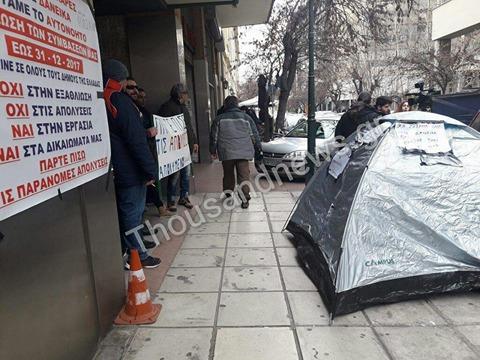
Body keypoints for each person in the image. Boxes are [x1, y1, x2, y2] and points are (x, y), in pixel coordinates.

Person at [103, 59, 161, 269]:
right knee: (132, 214)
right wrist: (150, 170)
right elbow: (134, 140)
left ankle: (133, 250)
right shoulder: (119, 100)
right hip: (130, 171)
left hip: (120, 169)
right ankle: (138, 256)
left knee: (130, 213)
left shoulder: (106, 99)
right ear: (121, 79)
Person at [125, 80, 174, 218]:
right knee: (148, 182)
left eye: (144, 97)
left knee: (149, 182)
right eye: (140, 96)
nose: (143, 99)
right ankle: (159, 207)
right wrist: (146, 133)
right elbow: (133, 134)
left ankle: (150, 213)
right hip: (140, 154)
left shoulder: (144, 111)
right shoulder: (130, 111)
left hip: (149, 151)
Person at [210, 96, 261, 209]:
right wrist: (258, 148)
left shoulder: (219, 119)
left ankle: (228, 192)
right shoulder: (246, 118)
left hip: (226, 152)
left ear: (226, 105)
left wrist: (212, 150)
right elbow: (254, 134)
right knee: (243, 175)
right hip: (243, 152)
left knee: (228, 174)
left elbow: (214, 136)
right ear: (237, 104)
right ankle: (245, 200)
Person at [158, 84, 199, 211]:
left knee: (186, 174)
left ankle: (184, 196)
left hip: (186, 146)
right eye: (186, 93)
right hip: (175, 148)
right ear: (180, 94)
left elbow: (189, 126)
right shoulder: (167, 107)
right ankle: (171, 200)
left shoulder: (184, 107)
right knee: (174, 175)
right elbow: (163, 128)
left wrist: (195, 141)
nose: (188, 96)